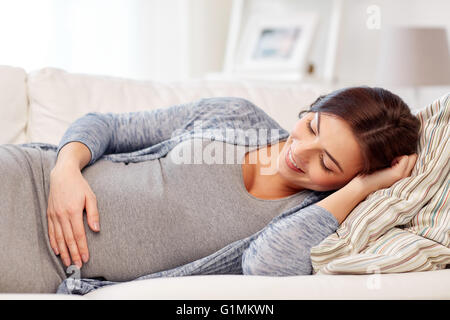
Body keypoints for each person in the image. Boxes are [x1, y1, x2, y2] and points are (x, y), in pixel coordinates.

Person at [0, 86, 420, 294]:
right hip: (30, 178)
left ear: (349, 179)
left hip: (48, 265)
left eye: (327, 162)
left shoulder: (307, 220)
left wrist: (364, 187)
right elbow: (108, 125)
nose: (300, 152)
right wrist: (66, 170)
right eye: (312, 126)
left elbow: (266, 269)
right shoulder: (238, 116)